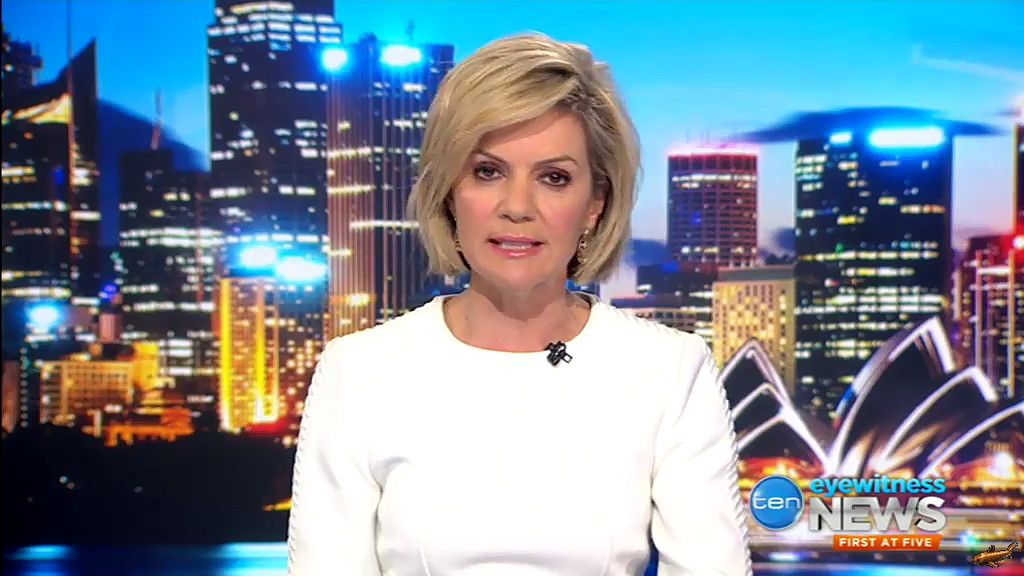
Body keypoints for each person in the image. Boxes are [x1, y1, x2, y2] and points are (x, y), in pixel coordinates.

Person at [287, 32, 751, 575]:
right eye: (488, 172)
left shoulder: (668, 369)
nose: (517, 206)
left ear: (595, 204)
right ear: (449, 191)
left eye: (554, 178)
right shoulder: (361, 371)